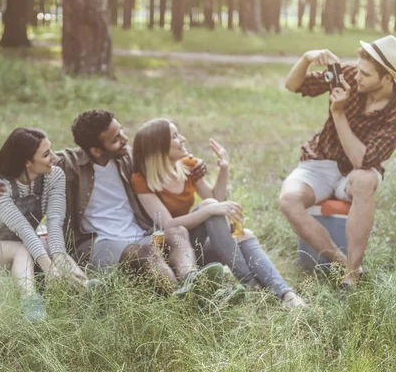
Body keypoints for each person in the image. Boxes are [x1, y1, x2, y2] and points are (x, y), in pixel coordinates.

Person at [0, 110, 224, 297]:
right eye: (115, 139)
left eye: (121, 132)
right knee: (147, 254)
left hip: (139, 233)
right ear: (95, 150)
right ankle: (184, 298)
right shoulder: (69, 164)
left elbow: (160, 157)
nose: (125, 139)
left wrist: (194, 165)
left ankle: (191, 281)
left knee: (177, 232)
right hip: (95, 243)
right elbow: (19, 160)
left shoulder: (127, 161)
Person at [131, 118, 306, 308]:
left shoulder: (187, 166)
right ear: (159, 146)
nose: (183, 138)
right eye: (175, 136)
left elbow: (216, 199)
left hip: (195, 244)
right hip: (174, 252)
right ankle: (250, 283)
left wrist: (223, 169)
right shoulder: (142, 179)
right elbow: (167, 225)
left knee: (243, 234)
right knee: (209, 206)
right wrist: (209, 209)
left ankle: (286, 294)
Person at [280, 35, 396, 288]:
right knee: (288, 200)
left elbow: (361, 161)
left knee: (364, 180)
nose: (357, 77)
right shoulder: (349, 75)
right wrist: (307, 58)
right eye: (358, 71)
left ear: (387, 78)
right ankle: (342, 264)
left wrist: (338, 113)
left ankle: (353, 270)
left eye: (366, 75)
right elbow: (294, 85)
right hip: (321, 159)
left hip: (356, 171)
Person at [0, 127, 90, 322]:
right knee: (24, 250)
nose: (54, 157)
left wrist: (58, 258)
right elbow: (23, 229)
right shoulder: (0, 184)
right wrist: (48, 267)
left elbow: (54, 223)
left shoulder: (55, 176)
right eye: (46, 154)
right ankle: (32, 308)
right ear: (27, 161)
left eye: (51, 150)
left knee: (57, 252)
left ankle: (86, 288)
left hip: (28, 242)